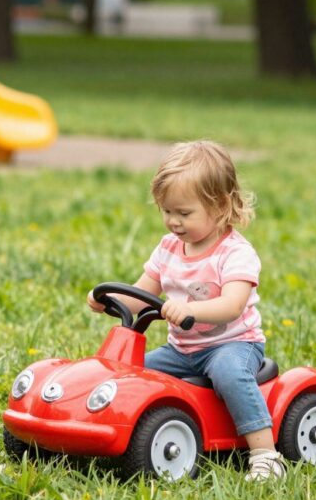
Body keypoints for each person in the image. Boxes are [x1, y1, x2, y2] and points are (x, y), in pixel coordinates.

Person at [86, 140, 281, 481]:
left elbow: (232, 305)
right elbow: (142, 294)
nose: (173, 221)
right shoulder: (168, 248)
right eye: (166, 211)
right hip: (182, 350)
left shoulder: (234, 253)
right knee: (129, 373)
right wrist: (108, 301)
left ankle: (265, 454)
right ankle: (109, 433)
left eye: (184, 213)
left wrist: (190, 309)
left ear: (220, 206)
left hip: (234, 345)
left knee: (228, 373)